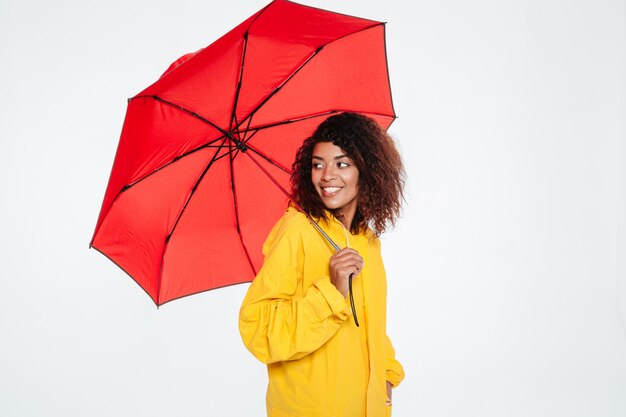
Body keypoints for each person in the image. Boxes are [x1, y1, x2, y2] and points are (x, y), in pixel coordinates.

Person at [239, 112, 405, 417]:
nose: (327, 175)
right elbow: (258, 329)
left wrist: (386, 377)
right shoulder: (297, 230)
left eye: (342, 164)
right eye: (318, 164)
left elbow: (371, 324)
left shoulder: (366, 241)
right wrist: (331, 291)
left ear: (366, 170)